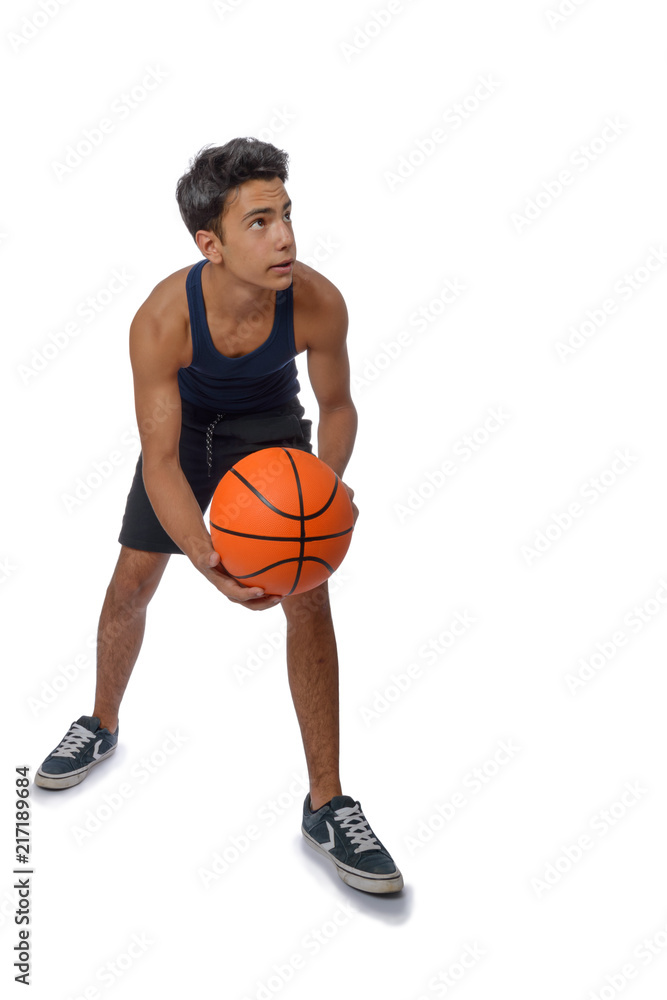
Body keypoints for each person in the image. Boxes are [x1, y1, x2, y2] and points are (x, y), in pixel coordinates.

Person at [34, 138, 404, 894]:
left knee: (308, 593)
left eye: (287, 215)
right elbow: (162, 461)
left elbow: (335, 408)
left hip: (269, 430)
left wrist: (320, 491)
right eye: (260, 222)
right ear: (210, 243)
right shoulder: (162, 319)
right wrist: (207, 560)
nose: (286, 238)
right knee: (132, 583)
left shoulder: (317, 300)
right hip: (186, 433)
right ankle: (100, 722)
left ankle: (327, 803)